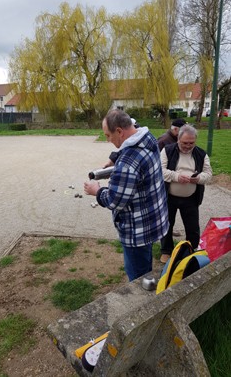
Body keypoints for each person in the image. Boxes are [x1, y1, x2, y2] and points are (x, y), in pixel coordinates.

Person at [84, 109, 169, 281]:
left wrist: (97, 190)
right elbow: (133, 134)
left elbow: (115, 200)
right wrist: (114, 164)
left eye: (108, 135)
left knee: (138, 278)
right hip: (152, 219)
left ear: (120, 131)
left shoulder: (127, 163)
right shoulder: (148, 137)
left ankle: (145, 304)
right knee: (145, 266)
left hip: (137, 230)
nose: (108, 140)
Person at [160, 124, 212, 263]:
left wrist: (198, 178)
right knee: (167, 224)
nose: (188, 146)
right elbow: (160, 170)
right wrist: (177, 177)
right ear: (178, 139)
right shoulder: (167, 150)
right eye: (184, 143)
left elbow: (208, 174)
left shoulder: (201, 154)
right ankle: (166, 251)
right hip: (169, 196)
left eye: (191, 143)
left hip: (191, 197)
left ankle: (190, 250)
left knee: (192, 227)